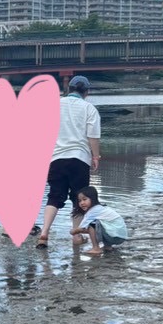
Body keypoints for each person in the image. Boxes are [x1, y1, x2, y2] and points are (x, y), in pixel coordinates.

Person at [35, 75, 101, 247]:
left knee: (55, 196)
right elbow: (93, 136)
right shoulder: (89, 108)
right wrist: (95, 156)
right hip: (80, 159)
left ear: (69, 89)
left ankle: (44, 233)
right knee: (78, 199)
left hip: (56, 158)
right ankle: (77, 236)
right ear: (86, 92)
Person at [72, 186, 128, 256]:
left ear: (93, 199)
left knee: (92, 224)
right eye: (79, 201)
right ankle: (108, 247)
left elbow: (82, 228)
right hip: (120, 236)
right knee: (101, 224)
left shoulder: (93, 211)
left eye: (84, 199)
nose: (82, 203)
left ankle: (96, 248)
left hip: (115, 236)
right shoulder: (100, 207)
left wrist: (73, 232)